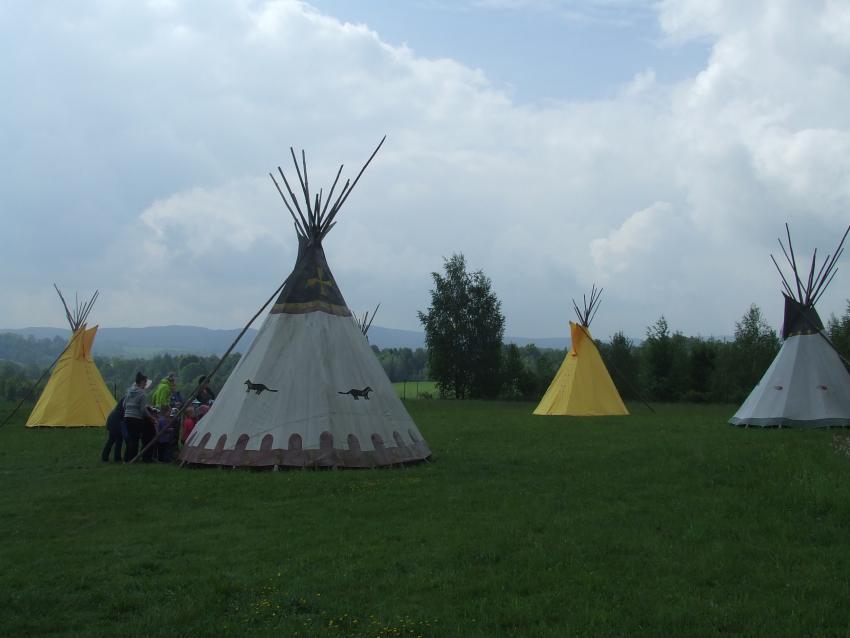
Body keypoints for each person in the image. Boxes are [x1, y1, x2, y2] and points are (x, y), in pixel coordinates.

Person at [123, 372, 155, 462]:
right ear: (142, 382)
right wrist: (151, 417)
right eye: (145, 382)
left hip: (127, 417)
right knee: (139, 438)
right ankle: (135, 458)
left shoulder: (129, 391)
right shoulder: (142, 394)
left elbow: (124, 404)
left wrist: (128, 411)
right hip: (136, 418)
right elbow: (142, 410)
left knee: (131, 438)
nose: (145, 384)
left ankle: (128, 458)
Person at [101, 397, 125, 463]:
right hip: (116, 421)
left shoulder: (124, 398)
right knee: (119, 439)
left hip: (111, 418)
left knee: (111, 440)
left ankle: (104, 457)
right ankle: (117, 458)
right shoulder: (127, 399)